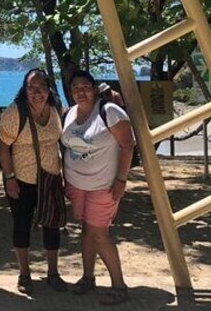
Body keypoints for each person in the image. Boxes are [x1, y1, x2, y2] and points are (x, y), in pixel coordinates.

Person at [61, 70, 136, 306]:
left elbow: (128, 145)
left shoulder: (109, 111)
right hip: (77, 184)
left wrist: (121, 180)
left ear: (94, 89)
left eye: (85, 86)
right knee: (86, 230)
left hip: (102, 186)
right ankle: (88, 276)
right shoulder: (71, 113)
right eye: (75, 88)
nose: (80, 92)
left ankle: (119, 285)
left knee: (99, 234)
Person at [0, 68, 68, 294]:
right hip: (21, 179)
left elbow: (63, 143)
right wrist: (9, 178)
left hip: (51, 178)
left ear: (48, 88)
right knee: (21, 225)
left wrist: (67, 175)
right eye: (31, 87)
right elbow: (2, 146)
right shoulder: (15, 112)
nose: (37, 92)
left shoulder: (57, 109)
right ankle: (24, 273)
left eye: (41, 87)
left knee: (52, 225)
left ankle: (53, 272)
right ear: (24, 89)